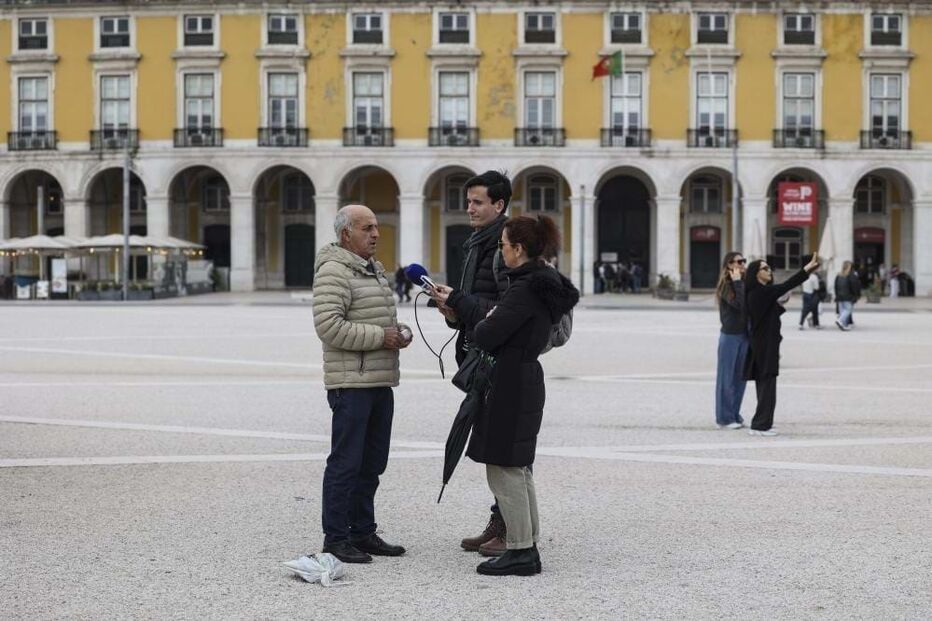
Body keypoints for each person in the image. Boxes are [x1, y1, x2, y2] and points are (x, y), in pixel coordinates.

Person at [447, 215, 579, 576]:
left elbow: (489, 334)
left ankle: (521, 551)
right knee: (518, 468)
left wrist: (476, 314)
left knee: (504, 469)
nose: (501, 251)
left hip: (509, 382)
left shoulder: (524, 289)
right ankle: (527, 543)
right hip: (524, 377)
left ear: (518, 250)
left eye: (504, 245)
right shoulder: (542, 283)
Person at [311, 204, 412, 563]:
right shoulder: (334, 272)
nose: (376, 234)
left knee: (372, 462)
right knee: (345, 463)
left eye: (377, 227)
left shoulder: (371, 271)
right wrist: (380, 337)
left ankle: (363, 532)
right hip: (351, 382)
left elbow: (373, 320)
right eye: (367, 228)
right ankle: (336, 538)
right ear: (345, 234)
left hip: (378, 380)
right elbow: (329, 326)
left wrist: (397, 334)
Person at [432, 170, 511, 556]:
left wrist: (463, 305)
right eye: (468, 202)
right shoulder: (475, 244)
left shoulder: (508, 247)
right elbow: (472, 304)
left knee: (504, 444)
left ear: (499, 205)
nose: (470, 209)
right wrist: (451, 311)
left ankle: (510, 526)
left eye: (478, 202)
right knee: (488, 441)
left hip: (499, 359)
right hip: (476, 353)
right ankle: (501, 519)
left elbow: (511, 311)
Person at [743, 252, 820, 437]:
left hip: (764, 343)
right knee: (767, 385)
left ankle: (764, 423)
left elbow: (771, 311)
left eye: (769, 268)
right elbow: (786, 285)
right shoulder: (760, 292)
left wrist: (781, 301)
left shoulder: (759, 293)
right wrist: (806, 270)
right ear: (756, 273)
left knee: (766, 384)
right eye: (765, 268)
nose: (769, 271)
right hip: (765, 345)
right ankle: (760, 425)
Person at [714, 251, 748, 430]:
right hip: (730, 336)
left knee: (740, 378)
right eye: (738, 261)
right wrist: (737, 282)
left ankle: (735, 413)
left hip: (745, 335)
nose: (742, 264)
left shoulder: (743, 283)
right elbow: (739, 305)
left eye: (744, 261)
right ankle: (724, 418)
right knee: (726, 379)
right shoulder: (726, 285)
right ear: (729, 265)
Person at [834, 261, 860, 331]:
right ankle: (840, 320)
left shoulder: (838, 275)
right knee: (848, 310)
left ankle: (844, 325)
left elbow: (835, 287)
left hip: (839, 297)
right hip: (847, 296)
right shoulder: (850, 276)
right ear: (849, 267)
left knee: (842, 311)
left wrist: (836, 295)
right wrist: (855, 296)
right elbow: (853, 287)